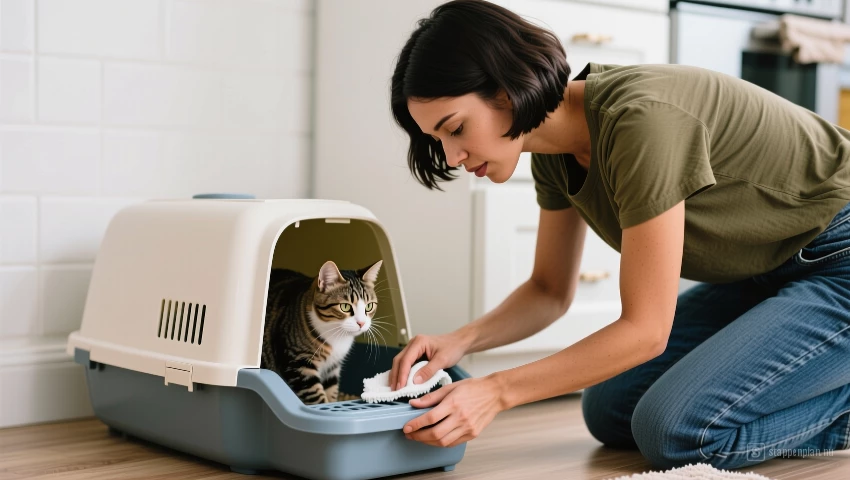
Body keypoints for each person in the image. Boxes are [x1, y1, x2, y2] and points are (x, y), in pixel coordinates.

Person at [386, 0, 850, 471]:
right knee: (610, 409)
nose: (450, 157)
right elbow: (548, 291)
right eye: (437, 141)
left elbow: (646, 332)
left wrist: (496, 391)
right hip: (768, 268)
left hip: (840, 255)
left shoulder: (642, 122)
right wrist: (462, 340)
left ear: (506, 90)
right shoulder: (552, 149)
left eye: (455, 129)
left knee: (673, 432)